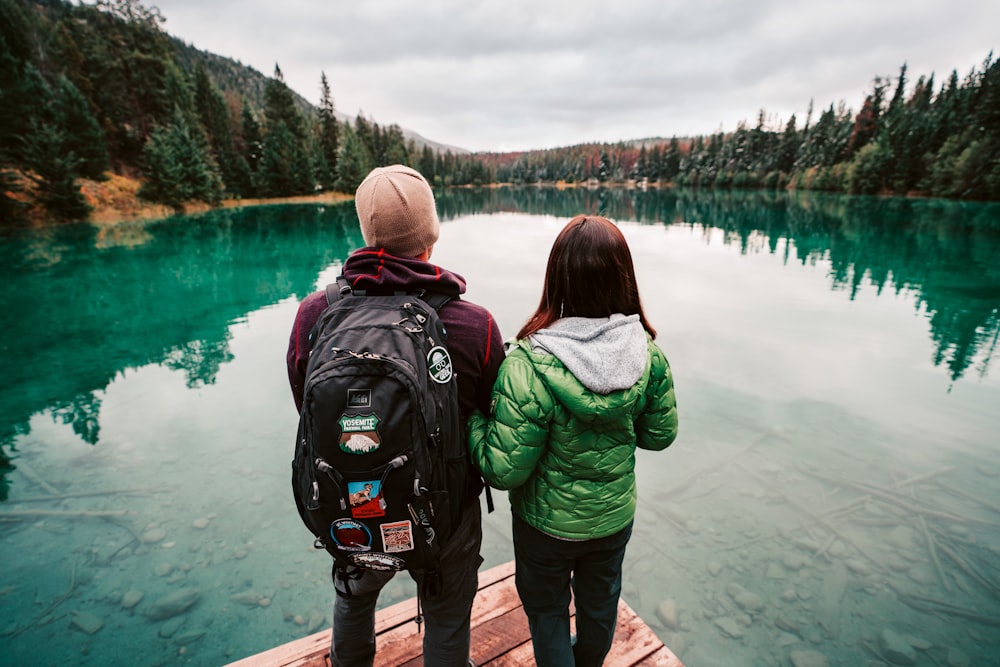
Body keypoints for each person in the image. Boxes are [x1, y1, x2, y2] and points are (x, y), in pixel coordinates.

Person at [287, 165, 504, 667]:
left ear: (367, 233)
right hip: (442, 512)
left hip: (350, 502)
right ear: (431, 233)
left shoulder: (313, 314)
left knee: (354, 596)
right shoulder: (475, 323)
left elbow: (308, 405)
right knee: (447, 613)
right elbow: (488, 415)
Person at [467, 215, 678, 667]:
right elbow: (660, 436)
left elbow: (504, 470)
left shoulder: (527, 363)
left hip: (544, 528)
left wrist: (473, 424)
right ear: (624, 277)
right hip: (612, 520)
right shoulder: (647, 354)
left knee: (547, 614)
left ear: (556, 278)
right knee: (600, 608)